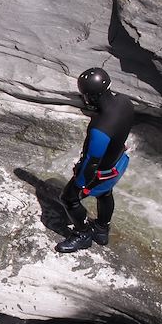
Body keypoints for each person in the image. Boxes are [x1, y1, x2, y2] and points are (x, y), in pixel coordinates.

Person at [55, 68, 134, 253]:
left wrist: (80, 185)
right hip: (118, 163)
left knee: (68, 199)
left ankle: (83, 235)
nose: (84, 99)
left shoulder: (100, 129)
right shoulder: (125, 102)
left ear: (92, 97)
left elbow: (91, 162)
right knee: (105, 194)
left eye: (85, 96)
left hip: (101, 174)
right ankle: (101, 229)